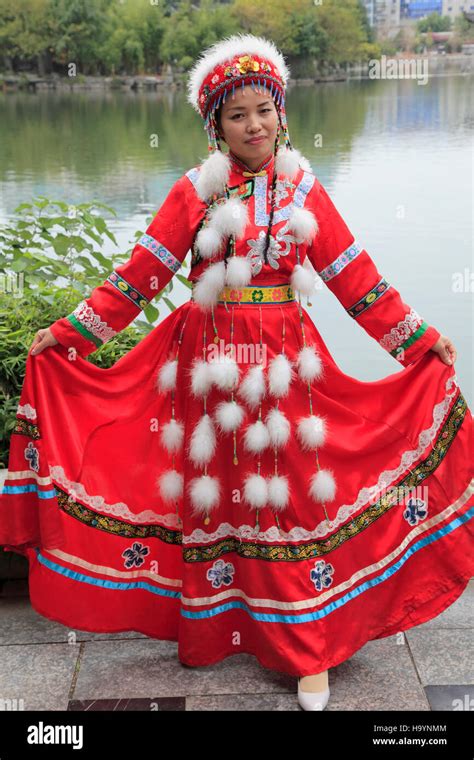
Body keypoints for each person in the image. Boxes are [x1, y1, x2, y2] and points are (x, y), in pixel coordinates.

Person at [1, 34, 472, 712]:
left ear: (283, 113)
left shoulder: (305, 188)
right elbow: (139, 276)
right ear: (215, 125)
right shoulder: (194, 192)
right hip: (207, 366)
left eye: (264, 110)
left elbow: (353, 278)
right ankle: (213, 630)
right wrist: (71, 333)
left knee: (289, 501)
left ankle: (308, 649)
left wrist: (416, 340)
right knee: (214, 495)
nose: (254, 125)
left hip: (285, 366)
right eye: (237, 114)